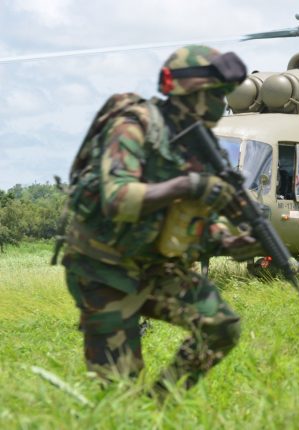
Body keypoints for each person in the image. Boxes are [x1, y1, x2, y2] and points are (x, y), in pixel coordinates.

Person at [61, 45, 255, 396]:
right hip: (104, 269)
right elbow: (117, 199)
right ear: (190, 91)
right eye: (216, 95)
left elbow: (187, 222)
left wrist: (226, 241)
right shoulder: (134, 124)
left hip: (154, 267)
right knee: (120, 391)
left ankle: (162, 403)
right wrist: (189, 184)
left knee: (221, 326)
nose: (221, 104)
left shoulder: (200, 144)